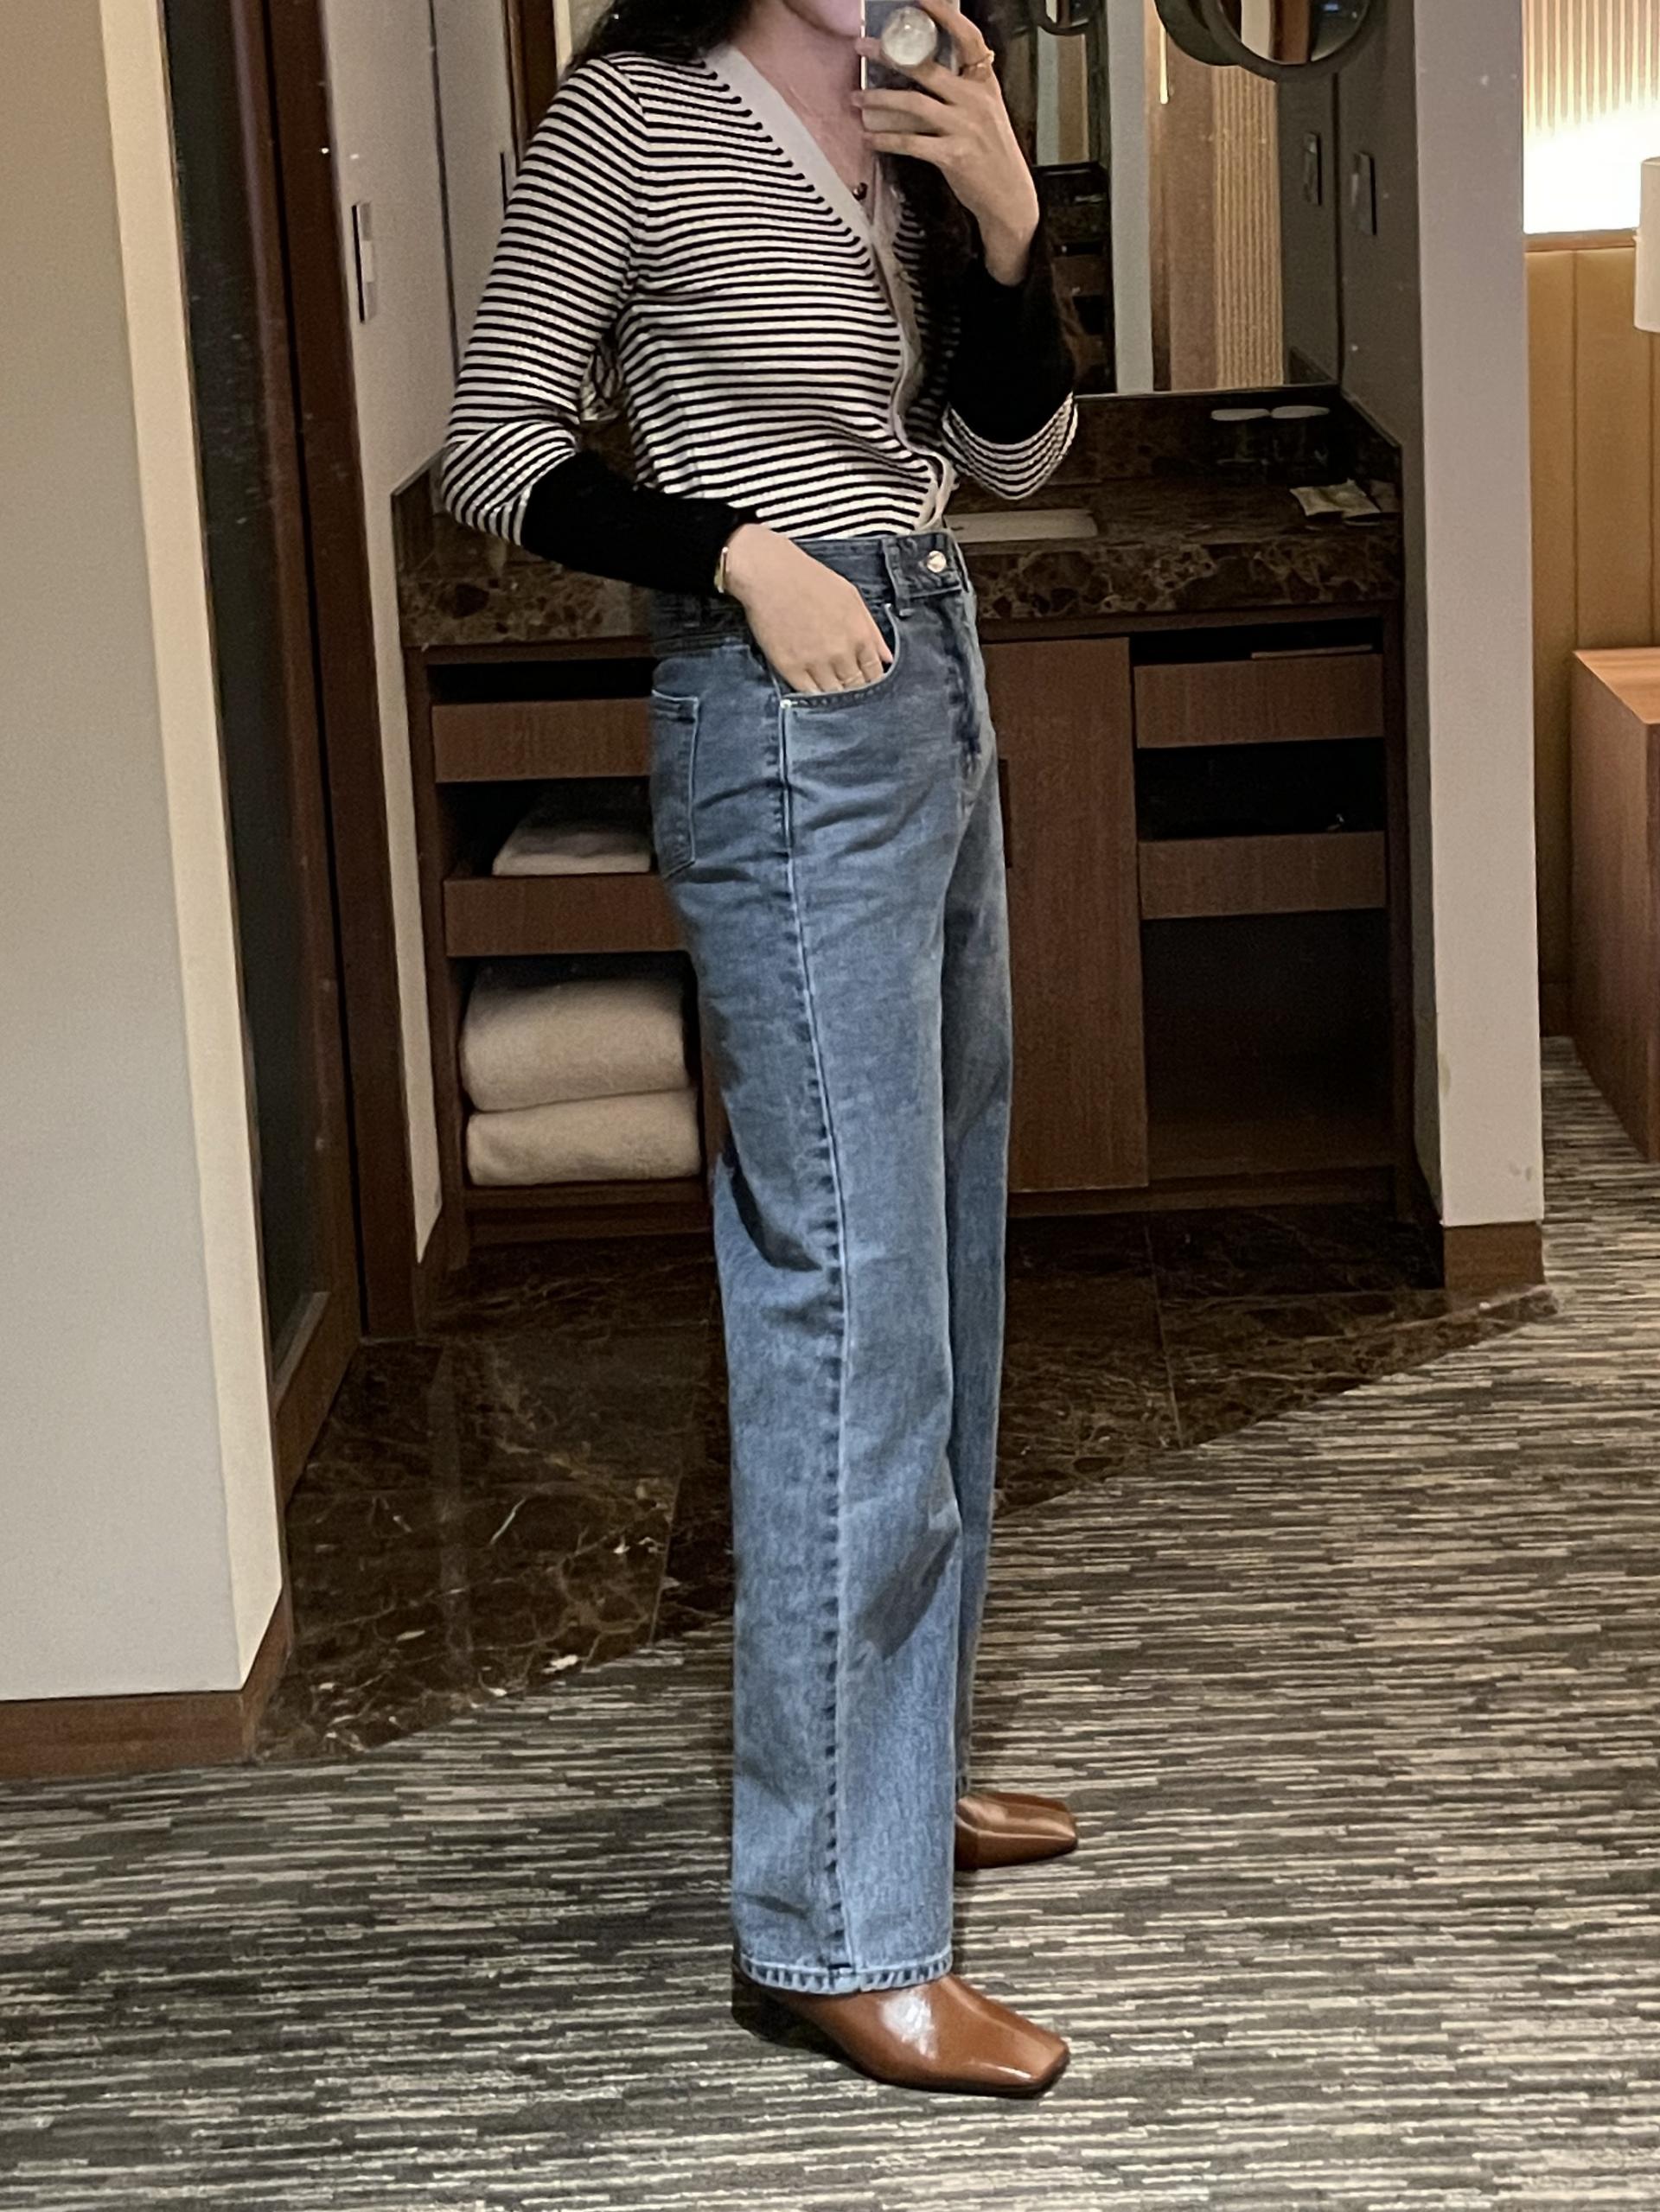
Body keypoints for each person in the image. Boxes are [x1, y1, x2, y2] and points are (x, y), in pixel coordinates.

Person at [440, 0, 1082, 2097]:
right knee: (851, 1309)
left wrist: (1007, 224)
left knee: (949, 1269)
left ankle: (898, 1781)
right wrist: (729, 548)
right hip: (781, 711)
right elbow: (496, 447)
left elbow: (1013, 455)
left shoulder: (917, 99)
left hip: (937, 675)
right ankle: (835, 1923)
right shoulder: (632, 116)